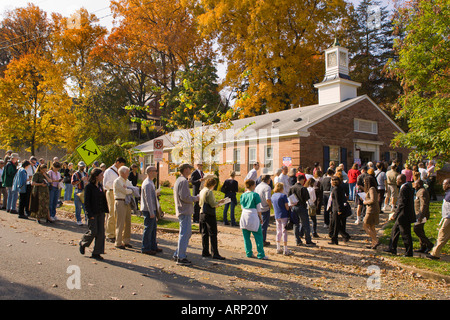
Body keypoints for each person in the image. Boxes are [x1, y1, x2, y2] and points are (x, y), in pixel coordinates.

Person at [79, 168, 109, 260]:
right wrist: (89, 214)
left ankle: (97, 252)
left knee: (101, 233)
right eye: (101, 175)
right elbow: (87, 202)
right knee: (93, 231)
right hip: (93, 212)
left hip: (100, 212)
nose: (102, 176)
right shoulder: (89, 187)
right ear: (96, 176)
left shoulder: (100, 186)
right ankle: (83, 242)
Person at [173, 163, 199, 265]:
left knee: (185, 233)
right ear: (186, 169)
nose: (191, 171)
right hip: (184, 210)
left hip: (182, 210)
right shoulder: (183, 181)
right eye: (190, 169)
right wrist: (196, 198)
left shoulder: (179, 180)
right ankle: (181, 257)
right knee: (185, 234)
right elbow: (185, 197)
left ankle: (177, 254)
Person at [385, 174, 416, 257]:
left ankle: (409, 252)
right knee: (394, 231)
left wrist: (395, 215)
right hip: (403, 215)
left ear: (401, 180)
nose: (396, 181)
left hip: (404, 215)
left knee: (405, 234)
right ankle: (392, 248)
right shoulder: (406, 187)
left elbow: (401, 204)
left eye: (397, 180)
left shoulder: (404, 188)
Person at [239, 179, 268, 260]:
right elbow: (259, 208)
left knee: (246, 237)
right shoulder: (255, 195)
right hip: (253, 215)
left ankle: (248, 252)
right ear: (252, 186)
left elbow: (242, 207)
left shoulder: (243, 195)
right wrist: (260, 217)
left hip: (244, 215)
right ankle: (261, 254)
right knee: (258, 236)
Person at [199, 178, 226, 260]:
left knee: (204, 233)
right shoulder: (209, 192)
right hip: (209, 214)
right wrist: (220, 202)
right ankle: (215, 253)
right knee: (213, 233)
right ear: (213, 185)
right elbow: (213, 204)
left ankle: (205, 251)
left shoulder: (202, 190)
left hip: (202, 213)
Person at [140, 166, 163, 255]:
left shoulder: (151, 182)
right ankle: (146, 248)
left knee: (153, 229)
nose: (156, 172)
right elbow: (148, 199)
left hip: (152, 208)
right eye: (155, 171)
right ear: (150, 172)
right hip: (148, 209)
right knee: (148, 229)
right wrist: (151, 212)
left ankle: (153, 246)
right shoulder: (147, 184)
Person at [104, 157, 127, 243]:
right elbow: (106, 184)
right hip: (111, 192)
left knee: (117, 214)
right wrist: (116, 186)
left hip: (118, 193)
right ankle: (109, 234)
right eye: (121, 164)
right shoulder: (109, 171)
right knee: (111, 213)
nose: (122, 166)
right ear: (117, 162)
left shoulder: (119, 172)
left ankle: (116, 233)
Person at [427, 179, 450, 260]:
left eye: (445, 184)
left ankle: (435, 254)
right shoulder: (447, 193)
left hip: (448, 219)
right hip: (446, 217)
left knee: (442, 236)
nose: (442, 185)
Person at [289, 175, 315, 246]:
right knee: (305, 224)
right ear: (302, 180)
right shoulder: (303, 188)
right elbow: (307, 199)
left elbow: (289, 198)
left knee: (296, 224)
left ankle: (298, 240)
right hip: (302, 207)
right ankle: (308, 240)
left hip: (294, 207)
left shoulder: (291, 188)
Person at [113, 166, 133, 249]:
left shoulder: (127, 181)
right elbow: (125, 191)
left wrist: (130, 189)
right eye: (127, 172)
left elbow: (132, 188)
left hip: (127, 202)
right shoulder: (117, 181)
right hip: (120, 201)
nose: (128, 173)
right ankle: (118, 242)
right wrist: (130, 189)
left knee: (128, 222)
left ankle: (126, 241)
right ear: (123, 173)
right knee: (120, 222)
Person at [412, 179, 433, 253]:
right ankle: (423, 246)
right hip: (418, 215)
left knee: (416, 229)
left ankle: (429, 244)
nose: (414, 185)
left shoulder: (422, 192)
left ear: (419, 184)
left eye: (415, 184)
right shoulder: (418, 191)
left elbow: (423, 205)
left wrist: (421, 216)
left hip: (422, 215)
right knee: (420, 230)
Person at [271, 183, 292, 255]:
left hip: (277, 215)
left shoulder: (273, 196)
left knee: (278, 231)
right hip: (284, 214)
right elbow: (287, 206)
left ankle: (278, 247)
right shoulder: (283, 196)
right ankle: (285, 249)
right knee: (284, 231)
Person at [329, 176, 351, 245]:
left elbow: (337, 201)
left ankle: (335, 239)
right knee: (336, 224)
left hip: (336, 209)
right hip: (336, 208)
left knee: (335, 225)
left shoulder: (335, 189)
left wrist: (339, 210)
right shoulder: (339, 188)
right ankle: (338, 237)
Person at [362, 176, 380, 249]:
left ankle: (376, 240)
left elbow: (373, 200)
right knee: (372, 227)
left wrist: (365, 202)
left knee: (365, 225)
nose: (363, 183)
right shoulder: (371, 189)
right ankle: (374, 243)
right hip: (372, 209)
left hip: (371, 210)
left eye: (364, 182)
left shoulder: (372, 189)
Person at [255, 174, 272, 246]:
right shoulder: (267, 187)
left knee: (259, 225)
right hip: (265, 208)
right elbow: (268, 198)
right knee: (264, 226)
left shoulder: (257, 186)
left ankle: (258, 239)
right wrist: (270, 206)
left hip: (258, 207)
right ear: (268, 180)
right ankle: (262, 241)